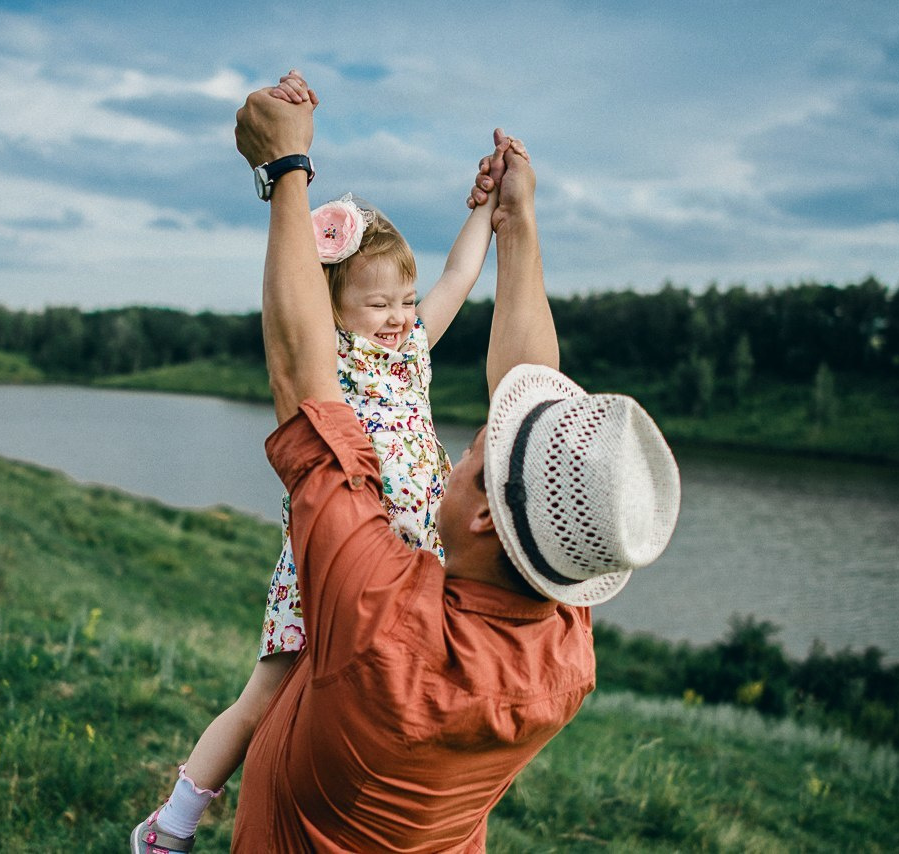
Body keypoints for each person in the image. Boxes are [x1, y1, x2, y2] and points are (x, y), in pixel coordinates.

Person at [212, 70, 677, 850]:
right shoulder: (563, 644)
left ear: (489, 513)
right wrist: (516, 225)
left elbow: (303, 377)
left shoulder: (376, 615)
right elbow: (539, 418)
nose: (460, 454)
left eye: (474, 460)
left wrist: (285, 170)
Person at [132, 78, 502, 852]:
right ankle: (172, 825)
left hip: (410, 564)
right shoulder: (332, 358)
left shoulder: (411, 352)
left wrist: (484, 211)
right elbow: (291, 298)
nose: (401, 315)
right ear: (333, 305)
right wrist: (291, 190)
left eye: (405, 299)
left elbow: (460, 278)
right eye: (381, 305)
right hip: (329, 557)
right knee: (266, 694)